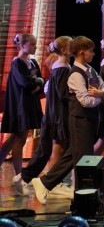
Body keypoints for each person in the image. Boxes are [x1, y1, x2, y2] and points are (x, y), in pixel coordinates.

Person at [32, 36, 104, 202]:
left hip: (89, 119)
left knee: (77, 154)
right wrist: (100, 97)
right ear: (81, 52)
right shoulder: (74, 74)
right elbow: (85, 101)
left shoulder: (90, 70)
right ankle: (80, 194)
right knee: (80, 158)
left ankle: (46, 182)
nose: (94, 54)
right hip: (79, 119)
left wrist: (100, 93)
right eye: (91, 51)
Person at [19, 36, 70, 195]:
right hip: (57, 115)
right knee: (55, 148)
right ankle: (51, 182)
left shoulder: (62, 67)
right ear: (63, 50)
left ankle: (28, 177)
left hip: (55, 114)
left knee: (49, 149)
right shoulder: (61, 68)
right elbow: (62, 94)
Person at [0, 34, 43, 186]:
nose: (35, 47)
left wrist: (37, 84)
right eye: (32, 44)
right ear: (22, 45)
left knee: (16, 137)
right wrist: (35, 83)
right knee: (20, 137)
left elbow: (41, 81)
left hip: (30, 103)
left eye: (35, 44)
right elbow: (25, 82)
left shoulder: (33, 62)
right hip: (20, 104)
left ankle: (17, 174)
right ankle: (19, 175)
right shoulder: (17, 63)